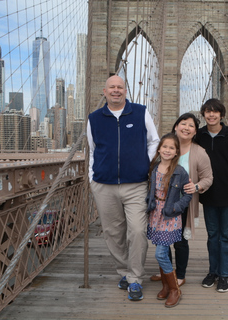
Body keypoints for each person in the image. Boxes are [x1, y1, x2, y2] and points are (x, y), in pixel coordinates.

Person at [86, 75, 160, 301]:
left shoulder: (140, 112)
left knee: (137, 230)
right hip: (104, 185)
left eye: (120, 87)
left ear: (125, 91)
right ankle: (125, 272)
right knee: (113, 233)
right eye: (112, 87)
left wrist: (143, 163)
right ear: (104, 91)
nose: (116, 90)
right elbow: (93, 149)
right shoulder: (94, 118)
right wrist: (92, 177)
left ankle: (135, 279)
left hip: (135, 184)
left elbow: (154, 141)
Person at [149, 113, 213, 286]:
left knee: (179, 241)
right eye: (183, 123)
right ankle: (167, 272)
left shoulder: (199, 152)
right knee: (163, 239)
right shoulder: (164, 148)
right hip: (160, 204)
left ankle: (180, 275)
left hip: (182, 204)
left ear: (195, 132)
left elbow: (208, 178)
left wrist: (196, 187)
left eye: (191, 125)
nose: (186, 127)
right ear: (175, 126)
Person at [195, 98, 228, 293]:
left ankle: (224, 275)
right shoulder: (198, 136)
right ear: (203, 114)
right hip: (208, 196)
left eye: (215, 111)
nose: (211, 114)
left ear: (221, 115)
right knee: (212, 236)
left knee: (227, 237)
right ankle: (213, 272)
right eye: (207, 111)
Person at [146, 133, 193, 308]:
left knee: (160, 253)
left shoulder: (180, 172)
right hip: (155, 214)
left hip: (170, 215)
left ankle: (174, 290)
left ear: (176, 152)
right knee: (162, 253)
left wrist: (177, 208)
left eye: (171, 148)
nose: (167, 150)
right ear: (159, 149)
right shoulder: (154, 168)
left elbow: (188, 193)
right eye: (164, 147)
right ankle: (165, 286)